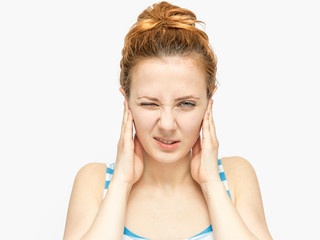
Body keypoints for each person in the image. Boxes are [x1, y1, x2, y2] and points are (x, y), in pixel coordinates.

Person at [63, 1, 273, 239]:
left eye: (186, 104)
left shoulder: (234, 178)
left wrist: (211, 183)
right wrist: (121, 181)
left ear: (209, 101)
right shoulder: (95, 183)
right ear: (127, 101)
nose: (167, 124)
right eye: (149, 104)